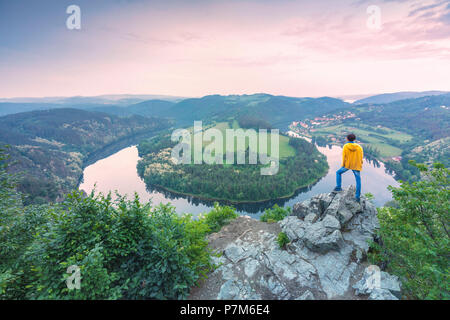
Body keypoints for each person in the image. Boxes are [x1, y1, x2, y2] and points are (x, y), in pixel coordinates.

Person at [333, 133, 363, 202]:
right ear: (354, 139)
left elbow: (344, 156)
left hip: (348, 164)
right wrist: (360, 164)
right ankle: (357, 197)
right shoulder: (359, 147)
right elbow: (361, 157)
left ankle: (338, 187)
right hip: (356, 165)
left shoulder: (346, 146)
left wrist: (343, 164)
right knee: (358, 180)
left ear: (347, 139)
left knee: (338, 173)